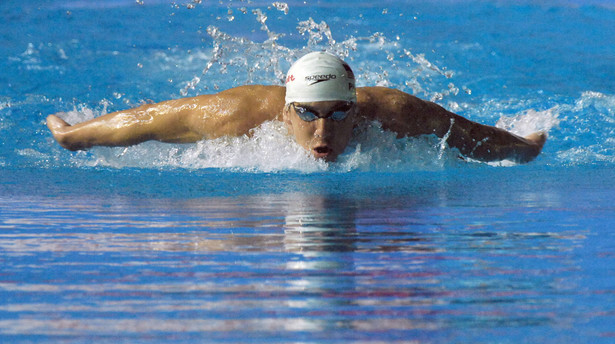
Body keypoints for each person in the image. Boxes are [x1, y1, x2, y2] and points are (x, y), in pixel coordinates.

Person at [47, 52, 546, 163]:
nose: (322, 128)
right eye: (307, 113)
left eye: (339, 112)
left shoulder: (393, 112)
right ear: (286, 112)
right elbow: (149, 120)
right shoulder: (238, 115)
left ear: (358, 109)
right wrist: (73, 134)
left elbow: (476, 136)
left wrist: (525, 146)